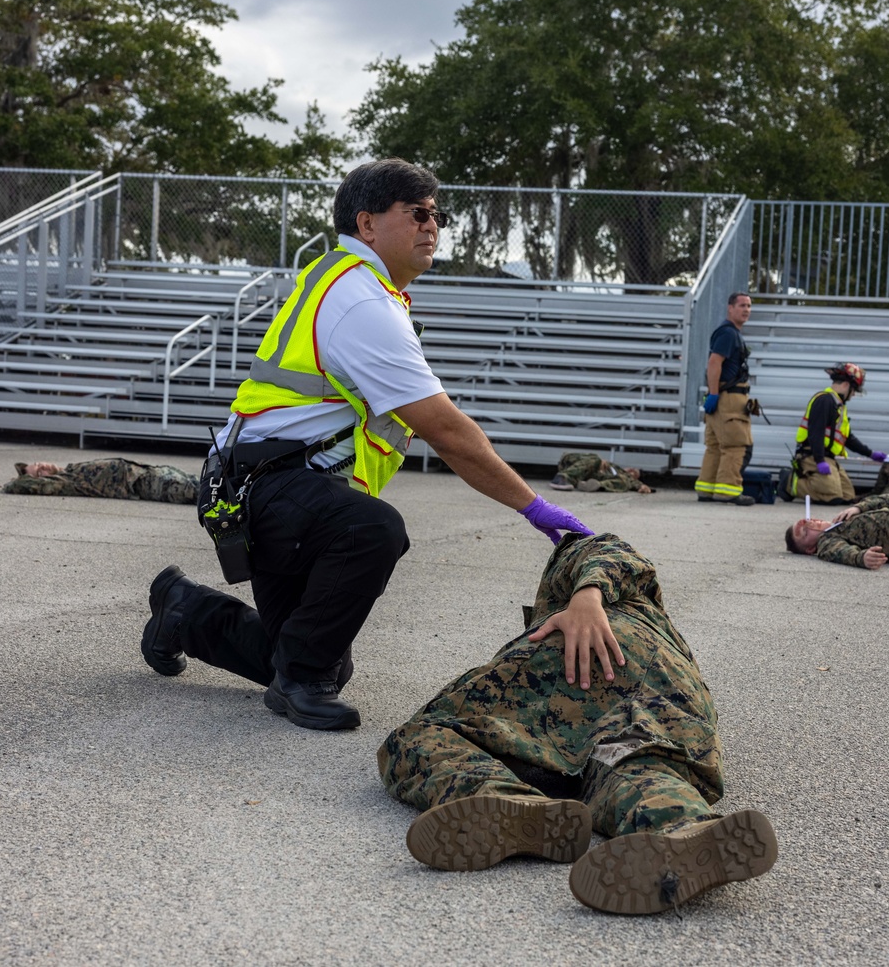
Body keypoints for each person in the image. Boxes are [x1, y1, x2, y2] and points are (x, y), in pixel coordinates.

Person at [140, 159, 591, 732]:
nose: (433, 226)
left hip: (265, 485)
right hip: (267, 489)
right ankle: (301, 684)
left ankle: (184, 610)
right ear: (368, 223)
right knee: (372, 530)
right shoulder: (361, 301)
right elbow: (445, 430)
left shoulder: (360, 287)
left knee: (306, 650)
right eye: (417, 213)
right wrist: (535, 507)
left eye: (438, 215)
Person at [378, 530, 778, 915]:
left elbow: (609, 548)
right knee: (631, 766)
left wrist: (587, 597)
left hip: (567, 680)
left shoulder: (585, 575)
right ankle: (682, 825)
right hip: (659, 697)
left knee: (420, 737)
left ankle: (498, 792)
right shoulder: (666, 633)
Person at [777, 363, 888, 505]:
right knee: (832, 497)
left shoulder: (838, 405)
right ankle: (789, 483)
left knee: (847, 496)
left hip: (828, 457)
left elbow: (847, 438)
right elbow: (815, 433)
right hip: (811, 455)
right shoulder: (824, 400)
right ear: (846, 385)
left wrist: (871, 453)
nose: (853, 395)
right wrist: (819, 460)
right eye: (854, 390)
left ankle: (816, 483)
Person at [694, 292, 756, 506]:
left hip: (721, 397)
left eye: (749, 306)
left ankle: (707, 488)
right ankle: (728, 491)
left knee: (715, 446)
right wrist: (713, 393)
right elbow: (714, 363)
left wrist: (713, 394)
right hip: (729, 399)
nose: (746, 309)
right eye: (742, 305)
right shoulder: (729, 334)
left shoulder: (729, 332)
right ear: (730, 308)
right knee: (735, 445)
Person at [3, 459, 198, 503]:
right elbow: (18, 485)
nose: (43, 467)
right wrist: (20, 480)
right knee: (205, 493)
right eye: (39, 472)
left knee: (211, 481)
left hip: (150, 472)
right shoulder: (65, 482)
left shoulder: (70, 469)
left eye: (38, 464)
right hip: (142, 484)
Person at [549, 452, 655, 494]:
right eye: (631, 469)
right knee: (595, 459)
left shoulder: (627, 478)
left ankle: (594, 485)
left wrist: (642, 486)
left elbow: (634, 482)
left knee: (624, 481)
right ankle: (562, 478)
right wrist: (600, 462)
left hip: (588, 477)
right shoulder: (612, 466)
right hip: (571, 463)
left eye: (634, 473)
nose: (631, 471)